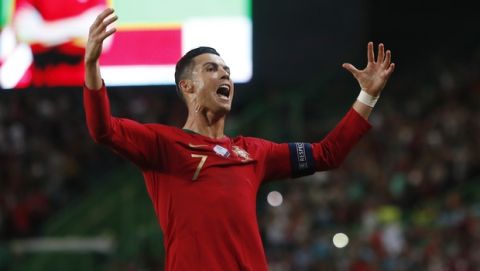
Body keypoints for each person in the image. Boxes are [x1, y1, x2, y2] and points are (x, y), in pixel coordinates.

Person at [83, 8, 395, 271]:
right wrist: (91, 66)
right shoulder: (162, 144)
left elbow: (328, 154)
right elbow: (103, 130)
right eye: (212, 69)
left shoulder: (253, 152)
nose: (224, 76)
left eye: (227, 71)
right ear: (187, 87)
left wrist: (367, 95)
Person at [12, 0, 106, 87]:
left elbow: (104, 37)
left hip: (84, 87)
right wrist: (80, 27)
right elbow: (23, 32)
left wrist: (43, 32)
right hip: (40, 86)